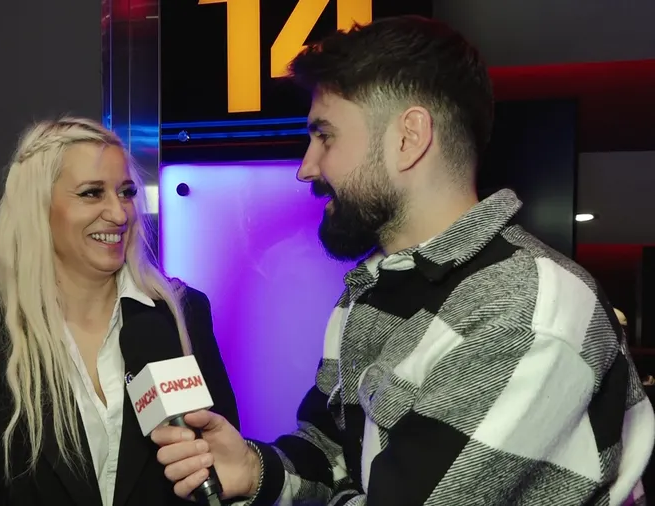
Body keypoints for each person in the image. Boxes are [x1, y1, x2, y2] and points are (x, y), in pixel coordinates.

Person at [150, 16, 654, 506]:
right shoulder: (372, 288)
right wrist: (255, 469)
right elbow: (333, 451)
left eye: (325, 135)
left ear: (409, 138)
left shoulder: (528, 309)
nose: (307, 167)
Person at [0, 117, 239, 506]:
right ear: (37, 208)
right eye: (92, 193)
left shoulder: (181, 314)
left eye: (126, 192)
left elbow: (224, 461)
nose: (119, 214)